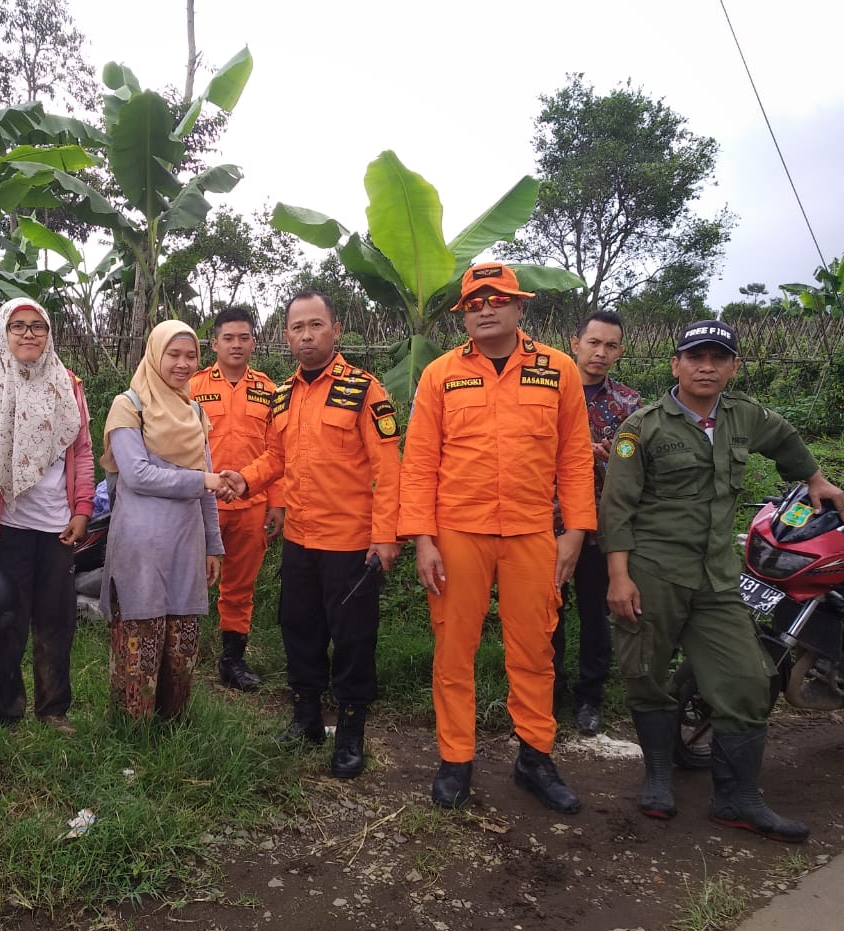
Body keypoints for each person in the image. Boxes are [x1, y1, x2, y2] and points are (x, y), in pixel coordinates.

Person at [599, 319, 844, 841]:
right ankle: (660, 774)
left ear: (733, 367)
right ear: (676, 365)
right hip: (653, 571)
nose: (705, 366)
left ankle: (737, 798)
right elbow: (616, 507)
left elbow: (784, 438)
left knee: (749, 680)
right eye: (695, 357)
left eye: (717, 358)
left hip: (716, 577)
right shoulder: (642, 428)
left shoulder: (744, 417)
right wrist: (618, 576)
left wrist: (815, 477)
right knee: (643, 671)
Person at [398, 263, 594, 814]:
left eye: (497, 299)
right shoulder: (439, 374)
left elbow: (575, 457)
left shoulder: (558, 371)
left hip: (534, 532)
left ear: (519, 308)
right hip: (457, 532)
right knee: (454, 650)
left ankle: (535, 757)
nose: (485, 309)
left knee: (535, 649)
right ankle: (455, 759)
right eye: (474, 302)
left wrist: (575, 530)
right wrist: (422, 539)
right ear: (463, 314)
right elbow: (419, 462)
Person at [223, 290, 401, 780]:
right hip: (300, 538)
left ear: (335, 330)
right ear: (286, 336)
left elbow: (389, 471)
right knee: (298, 630)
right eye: (297, 327)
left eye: (315, 325)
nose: (306, 335)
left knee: (352, 638)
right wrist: (246, 477)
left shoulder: (365, 391)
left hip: (350, 543)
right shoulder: (283, 394)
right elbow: (275, 460)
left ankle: (349, 730)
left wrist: (386, 539)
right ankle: (305, 718)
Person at [0, 297, 95, 735]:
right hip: (7, 525)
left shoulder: (68, 384)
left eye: (38, 326)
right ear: (3, 333)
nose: (29, 334)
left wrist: (82, 509)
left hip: (57, 526)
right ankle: (5, 713)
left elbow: (81, 452)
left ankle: (53, 709)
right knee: (5, 620)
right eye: (18, 326)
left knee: (56, 619)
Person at [100, 320, 228, 721]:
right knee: (141, 632)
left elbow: (206, 486)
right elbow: (137, 474)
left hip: (186, 540)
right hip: (141, 541)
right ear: (155, 354)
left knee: (181, 638)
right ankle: (131, 729)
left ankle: (173, 723)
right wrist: (202, 480)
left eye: (191, 355)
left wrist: (213, 545)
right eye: (174, 354)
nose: (183, 363)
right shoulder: (129, 405)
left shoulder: (193, 411)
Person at [551, 310, 641, 735]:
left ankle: (590, 699)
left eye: (610, 346)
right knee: (547, 614)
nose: (600, 353)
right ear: (575, 343)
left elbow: (636, 470)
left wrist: (606, 461)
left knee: (594, 615)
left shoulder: (629, 405)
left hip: (599, 526)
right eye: (594, 343)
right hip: (547, 522)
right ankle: (549, 693)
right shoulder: (545, 390)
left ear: (619, 352)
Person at [189, 306, 285, 692]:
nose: (236, 344)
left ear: (254, 343)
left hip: (251, 504)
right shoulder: (192, 386)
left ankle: (232, 660)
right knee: (190, 579)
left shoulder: (269, 390)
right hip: (199, 503)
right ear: (213, 343)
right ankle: (182, 654)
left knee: (239, 587)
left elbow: (279, 451)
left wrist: (277, 503)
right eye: (228, 337)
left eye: (244, 337)